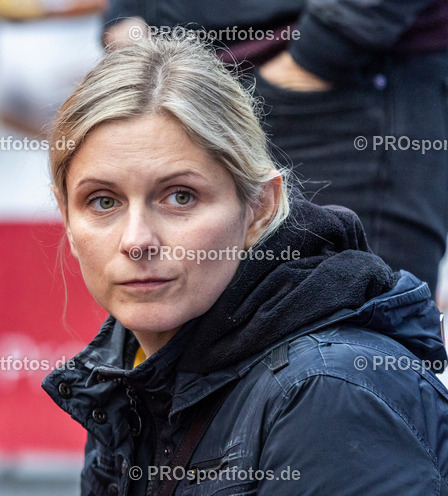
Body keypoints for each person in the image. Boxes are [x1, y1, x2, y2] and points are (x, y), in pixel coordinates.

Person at [36, 38, 448, 496]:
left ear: (257, 210)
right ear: (67, 217)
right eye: (103, 202)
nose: (137, 240)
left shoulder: (335, 395)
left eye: (180, 197)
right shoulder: (130, 376)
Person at [101, 0, 448, 297]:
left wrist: (321, 52)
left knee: (351, 338)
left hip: (334, 96)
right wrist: (128, 16)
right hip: (183, 90)